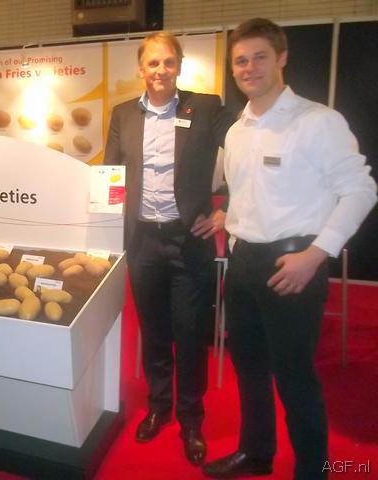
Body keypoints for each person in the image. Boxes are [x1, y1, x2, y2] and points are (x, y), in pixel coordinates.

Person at [202, 18, 377, 480]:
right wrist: (229, 219)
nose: (249, 68)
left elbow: (361, 190)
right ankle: (256, 453)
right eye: (241, 60)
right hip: (243, 261)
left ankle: (313, 471)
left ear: (281, 58)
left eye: (260, 57)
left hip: (294, 262)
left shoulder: (318, 122)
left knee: (296, 377)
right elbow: (246, 191)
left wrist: (316, 255)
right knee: (249, 367)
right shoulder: (236, 130)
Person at [104, 32, 234, 465]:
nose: (161, 70)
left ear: (179, 66)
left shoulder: (207, 107)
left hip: (188, 240)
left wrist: (229, 210)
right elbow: (109, 176)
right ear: (141, 69)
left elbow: (248, 153)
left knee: (190, 333)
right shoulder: (123, 114)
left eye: (168, 62)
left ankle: (191, 419)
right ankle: (159, 406)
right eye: (153, 63)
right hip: (142, 241)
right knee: (154, 330)